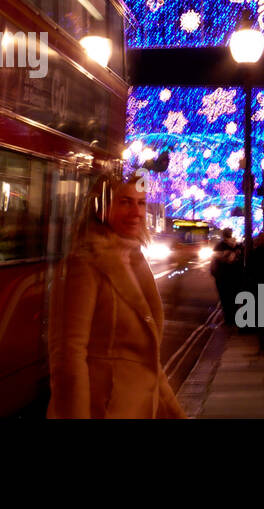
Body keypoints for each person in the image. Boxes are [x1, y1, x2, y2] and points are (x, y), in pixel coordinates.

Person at [47, 175, 187, 419]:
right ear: (102, 208)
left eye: (141, 203)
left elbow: (147, 361)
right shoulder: (85, 263)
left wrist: (175, 413)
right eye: (125, 202)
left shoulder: (135, 260)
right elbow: (69, 356)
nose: (136, 212)